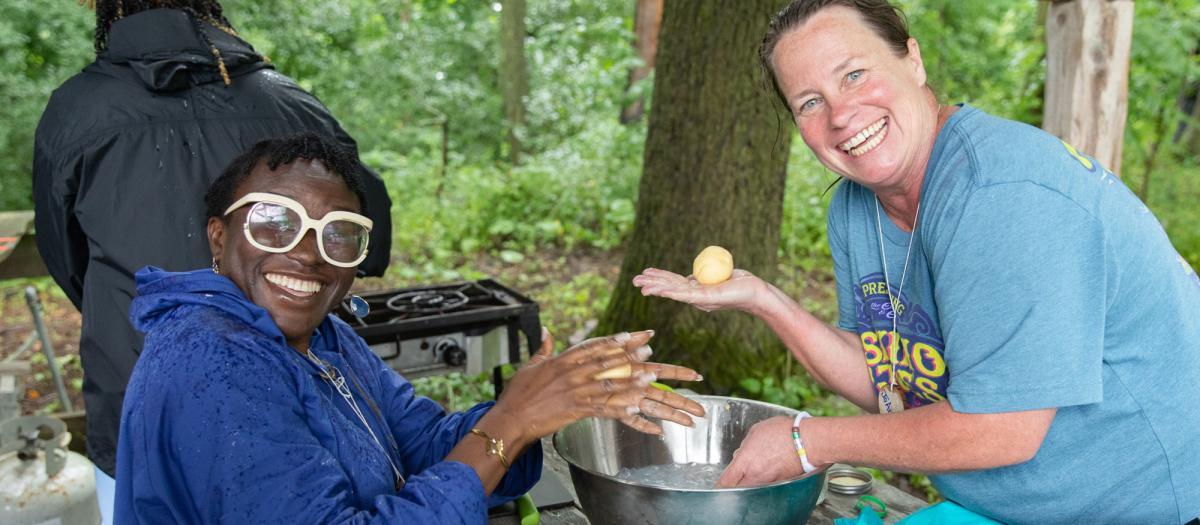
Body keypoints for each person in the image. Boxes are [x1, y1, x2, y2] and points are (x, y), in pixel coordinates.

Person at [632, 0, 1200, 522]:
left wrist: (808, 440)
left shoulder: (1002, 197)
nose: (841, 114)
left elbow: (1000, 431)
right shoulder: (857, 210)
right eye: (809, 102)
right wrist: (764, 299)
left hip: (1146, 504)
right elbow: (892, 379)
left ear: (913, 60)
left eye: (854, 74)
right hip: (1005, 508)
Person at [113, 133, 705, 523]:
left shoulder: (324, 337)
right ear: (219, 236)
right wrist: (513, 420)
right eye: (275, 223)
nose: (308, 254)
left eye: (339, 235)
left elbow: (422, 446)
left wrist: (548, 398)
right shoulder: (209, 361)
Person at [31, 2, 393, 517]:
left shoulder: (76, 109)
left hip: (138, 395)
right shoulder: (289, 101)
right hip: (289, 408)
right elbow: (368, 244)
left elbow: (65, 259)